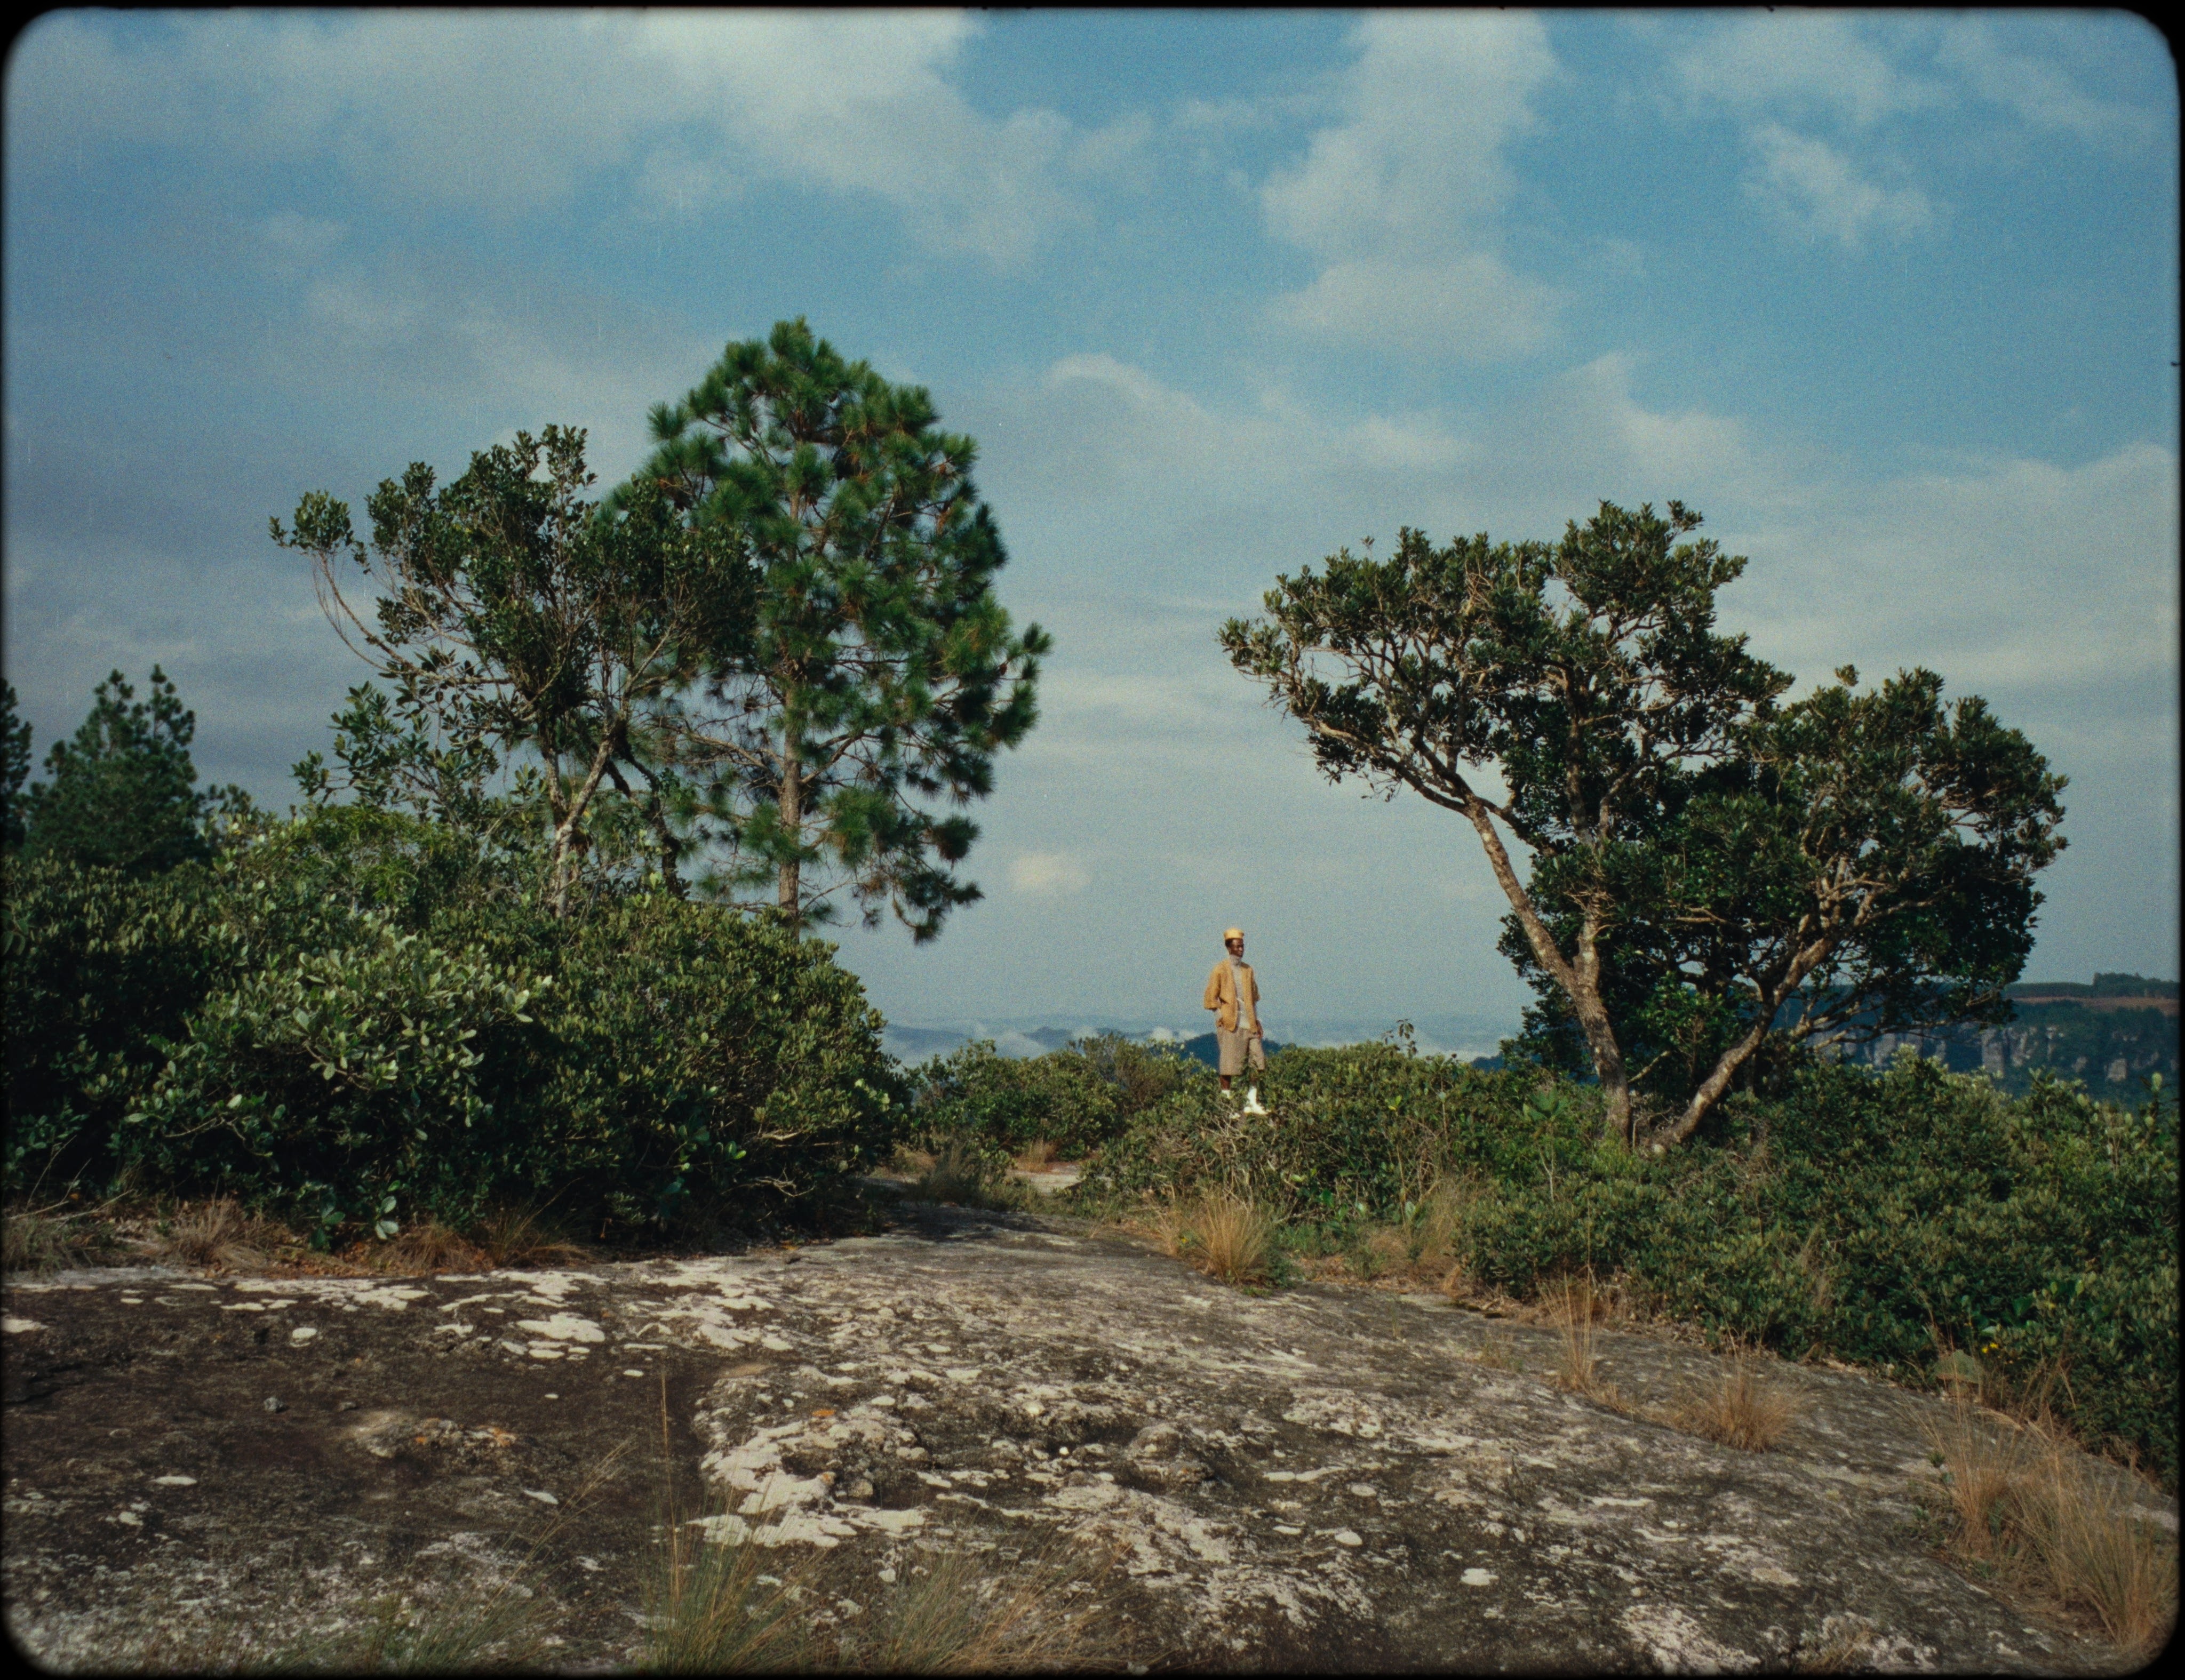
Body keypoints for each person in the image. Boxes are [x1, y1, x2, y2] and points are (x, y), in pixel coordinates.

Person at [1202, 926, 1269, 1114]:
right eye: (1237, 946)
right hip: (1231, 1024)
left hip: (1250, 1024)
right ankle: (1227, 1106)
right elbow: (1210, 998)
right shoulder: (1220, 969)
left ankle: (1251, 1102)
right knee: (1228, 1066)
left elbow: (1253, 998)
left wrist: (1257, 1021)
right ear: (1229, 947)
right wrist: (1220, 1017)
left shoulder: (1248, 970)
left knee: (1257, 1063)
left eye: (1242, 946)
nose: (1241, 949)